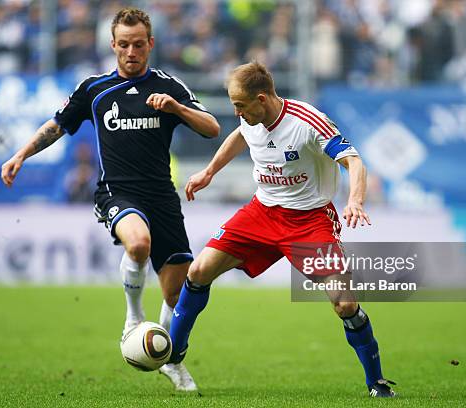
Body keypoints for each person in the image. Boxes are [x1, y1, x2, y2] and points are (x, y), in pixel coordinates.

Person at [0, 7, 220, 392]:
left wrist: (177, 108)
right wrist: (21, 153)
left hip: (162, 196)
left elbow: (212, 127)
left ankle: (169, 358)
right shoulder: (94, 89)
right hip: (117, 190)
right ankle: (133, 320)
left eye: (138, 44)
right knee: (138, 243)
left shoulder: (169, 86)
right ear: (112, 45)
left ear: (150, 44)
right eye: (123, 45)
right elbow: (57, 125)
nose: (131, 52)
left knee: (175, 293)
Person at [168, 62, 396, 397]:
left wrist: (356, 200)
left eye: (240, 106)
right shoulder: (251, 120)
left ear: (262, 99)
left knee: (345, 304)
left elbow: (354, 160)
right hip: (261, 214)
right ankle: (173, 351)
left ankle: (376, 381)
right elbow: (240, 136)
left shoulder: (307, 122)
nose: (236, 112)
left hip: (309, 221)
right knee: (199, 270)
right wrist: (209, 172)